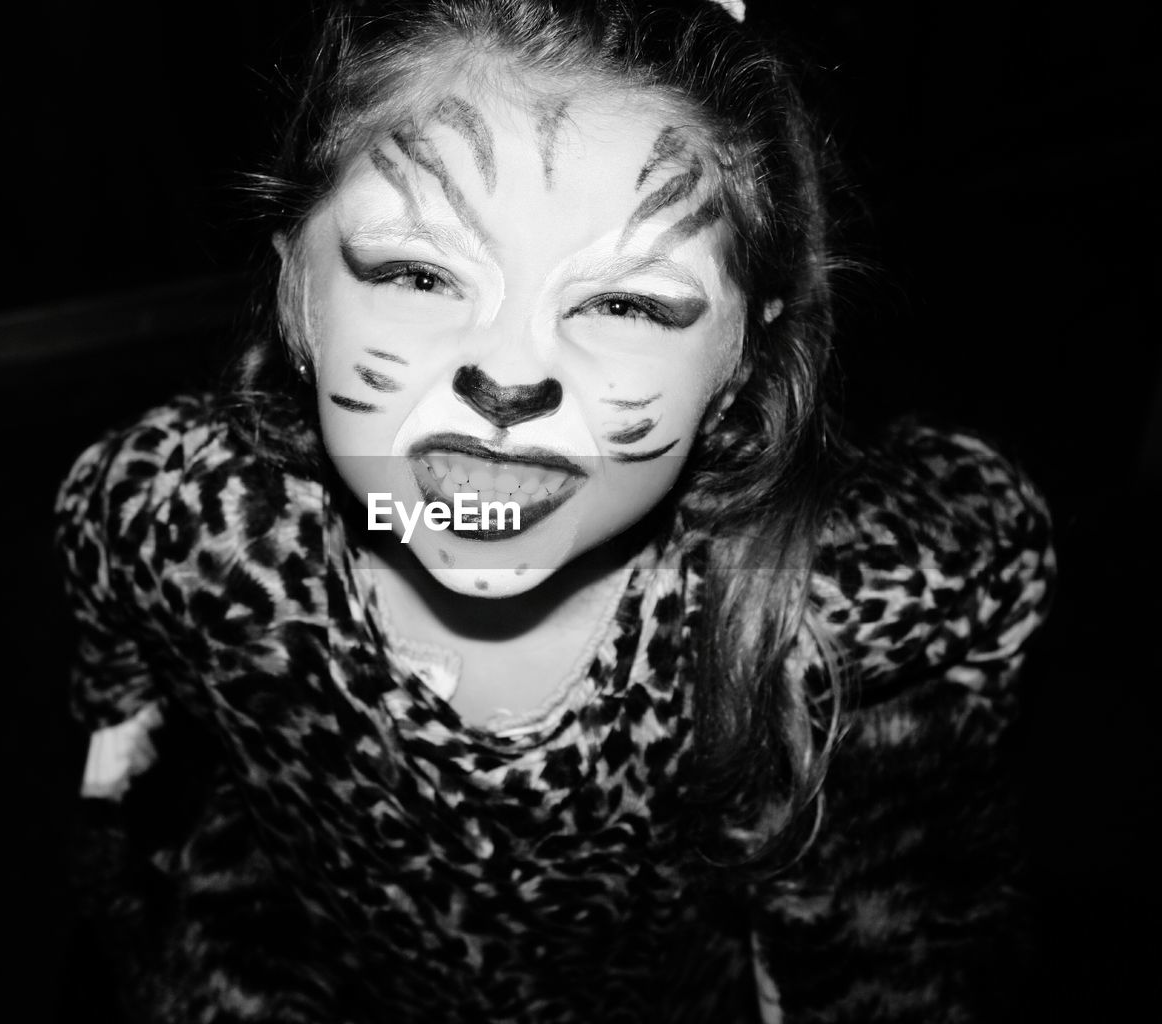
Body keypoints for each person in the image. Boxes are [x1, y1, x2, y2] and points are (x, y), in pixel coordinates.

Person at [56, 1, 1056, 1020]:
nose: (508, 376)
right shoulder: (189, 521)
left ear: (739, 361)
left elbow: (994, 543)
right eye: (416, 273)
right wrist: (119, 736)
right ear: (294, 297)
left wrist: (903, 776)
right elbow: (107, 569)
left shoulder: (826, 596)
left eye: (623, 304)